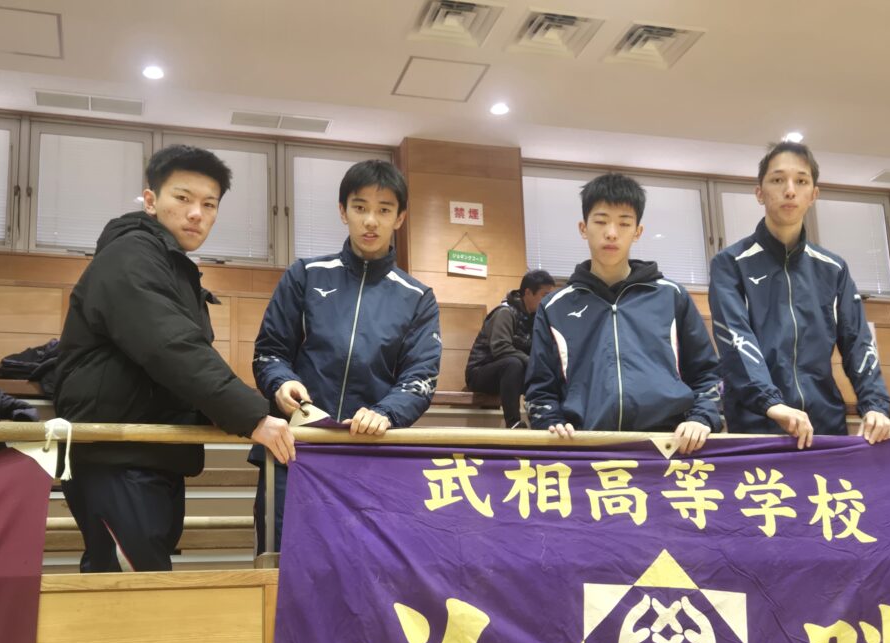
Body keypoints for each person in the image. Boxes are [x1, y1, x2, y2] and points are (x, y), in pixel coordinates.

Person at [54, 144, 295, 573]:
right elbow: (172, 347)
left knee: (139, 586)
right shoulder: (130, 255)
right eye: (182, 198)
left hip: (148, 455)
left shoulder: (171, 265)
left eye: (209, 204)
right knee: (131, 592)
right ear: (151, 200)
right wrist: (253, 415)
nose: (196, 214)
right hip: (118, 456)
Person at [251, 159, 441, 550]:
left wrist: (386, 412)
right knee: (281, 567)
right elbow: (270, 352)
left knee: (359, 569)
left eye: (384, 210)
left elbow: (420, 377)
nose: (370, 220)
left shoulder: (417, 297)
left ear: (400, 218)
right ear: (343, 211)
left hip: (369, 458)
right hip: (293, 451)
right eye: (360, 207)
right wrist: (282, 382)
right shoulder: (306, 274)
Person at [708, 141, 890, 449]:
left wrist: (874, 405)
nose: (790, 190)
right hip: (757, 425)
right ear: (759, 193)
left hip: (824, 425)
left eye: (801, 181)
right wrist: (772, 404)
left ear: (814, 195)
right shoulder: (731, 264)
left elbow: (858, 342)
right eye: (778, 179)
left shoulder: (833, 269)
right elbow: (736, 340)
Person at [525, 173, 721, 454]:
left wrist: (701, 418)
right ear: (583, 228)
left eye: (624, 223)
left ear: (638, 232)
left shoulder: (671, 296)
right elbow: (540, 389)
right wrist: (550, 423)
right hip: (585, 448)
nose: (611, 233)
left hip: (669, 447)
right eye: (601, 221)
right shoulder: (555, 307)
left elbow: (707, 374)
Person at [465, 269, 556, 428]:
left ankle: (546, 419)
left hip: (510, 374)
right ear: (528, 292)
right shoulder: (505, 312)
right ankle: (513, 423)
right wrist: (532, 363)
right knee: (514, 364)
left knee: (547, 370)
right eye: (545, 295)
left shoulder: (536, 319)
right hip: (480, 373)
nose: (548, 301)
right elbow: (500, 348)